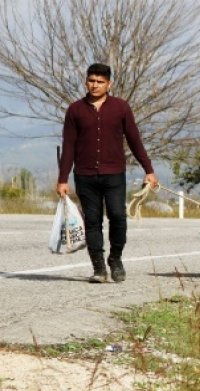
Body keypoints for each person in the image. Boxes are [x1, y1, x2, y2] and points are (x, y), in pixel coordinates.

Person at [56, 63, 158, 283]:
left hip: (114, 174)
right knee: (92, 221)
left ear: (109, 84)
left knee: (118, 217)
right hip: (85, 175)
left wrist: (148, 170)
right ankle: (99, 268)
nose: (95, 85)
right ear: (86, 82)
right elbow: (69, 146)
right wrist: (63, 178)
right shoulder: (75, 110)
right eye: (91, 80)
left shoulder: (121, 107)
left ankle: (116, 258)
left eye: (100, 82)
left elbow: (134, 140)